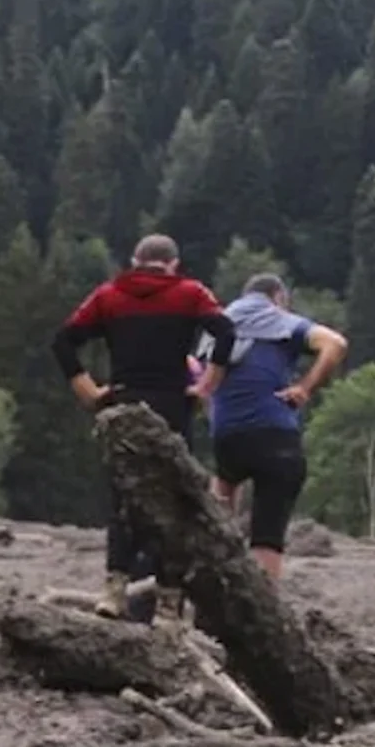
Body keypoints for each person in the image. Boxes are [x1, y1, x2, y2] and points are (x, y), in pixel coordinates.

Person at [52, 235, 237, 622]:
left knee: (123, 496)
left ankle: (114, 587)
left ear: (135, 261)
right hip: (172, 404)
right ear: (172, 264)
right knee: (175, 501)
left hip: (124, 403)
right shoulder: (189, 293)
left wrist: (87, 390)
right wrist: (207, 385)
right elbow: (226, 332)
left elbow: (64, 341)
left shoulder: (109, 295)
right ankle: (169, 598)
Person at [212, 275, 346, 580]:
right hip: (274, 435)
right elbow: (335, 344)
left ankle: (214, 566)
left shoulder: (220, 321)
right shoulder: (278, 319)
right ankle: (262, 605)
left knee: (221, 494)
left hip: (226, 435)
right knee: (267, 532)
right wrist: (305, 388)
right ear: (278, 298)